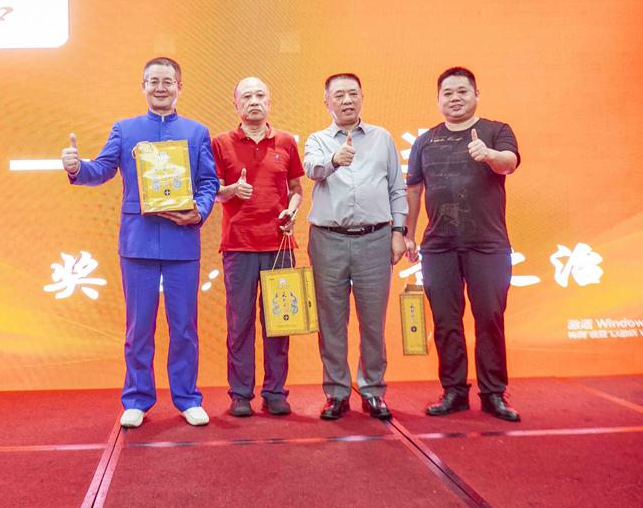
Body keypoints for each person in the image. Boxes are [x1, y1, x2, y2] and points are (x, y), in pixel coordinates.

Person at [60, 57, 220, 428]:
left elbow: (209, 182)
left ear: (179, 86)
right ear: (143, 86)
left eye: (168, 81)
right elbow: (101, 169)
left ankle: (187, 398)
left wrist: (199, 210)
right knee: (139, 327)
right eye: (153, 81)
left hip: (182, 241)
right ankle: (136, 398)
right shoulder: (125, 129)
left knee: (184, 327)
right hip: (138, 243)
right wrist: (76, 167)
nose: (160, 87)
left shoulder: (196, 132)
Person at [404, 66, 521, 422]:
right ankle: (453, 390)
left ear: (476, 94)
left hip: (488, 244)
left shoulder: (496, 131)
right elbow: (414, 190)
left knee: (489, 317)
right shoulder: (425, 141)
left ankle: (493, 392)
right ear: (438, 99)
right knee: (445, 321)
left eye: (462, 91)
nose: (455, 98)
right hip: (439, 246)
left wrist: (488, 154)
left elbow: (510, 163)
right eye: (448, 93)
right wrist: (408, 234)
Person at [303, 73, 407, 421]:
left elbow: (397, 188)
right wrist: (335, 160)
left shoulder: (382, 138)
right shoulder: (317, 140)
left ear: (362, 97)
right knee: (331, 321)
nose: (347, 100)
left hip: (375, 238)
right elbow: (311, 169)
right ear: (327, 103)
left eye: (352, 94)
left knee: (373, 321)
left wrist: (399, 231)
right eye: (339, 95)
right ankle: (336, 392)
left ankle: (373, 390)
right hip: (328, 240)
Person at [212, 77, 304, 418]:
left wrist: (291, 211)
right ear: (236, 104)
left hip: (279, 245)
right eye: (247, 96)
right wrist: (231, 191)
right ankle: (240, 394)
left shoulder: (286, 141)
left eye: (260, 95)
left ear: (269, 101)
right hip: (238, 245)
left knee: (280, 321)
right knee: (240, 323)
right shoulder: (220, 143)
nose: (254, 101)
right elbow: (213, 191)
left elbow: (296, 189)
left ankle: (275, 392)